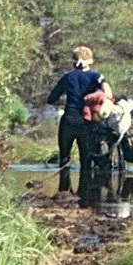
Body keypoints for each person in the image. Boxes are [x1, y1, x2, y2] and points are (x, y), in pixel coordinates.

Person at [47, 46, 108, 175]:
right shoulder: (96, 76)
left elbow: (51, 98)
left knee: (64, 160)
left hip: (68, 120)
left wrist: (64, 102)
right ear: (91, 61)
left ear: (73, 62)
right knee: (86, 163)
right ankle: (84, 192)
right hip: (85, 121)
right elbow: (107, 91)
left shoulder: (67, 77)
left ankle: (63, 191)